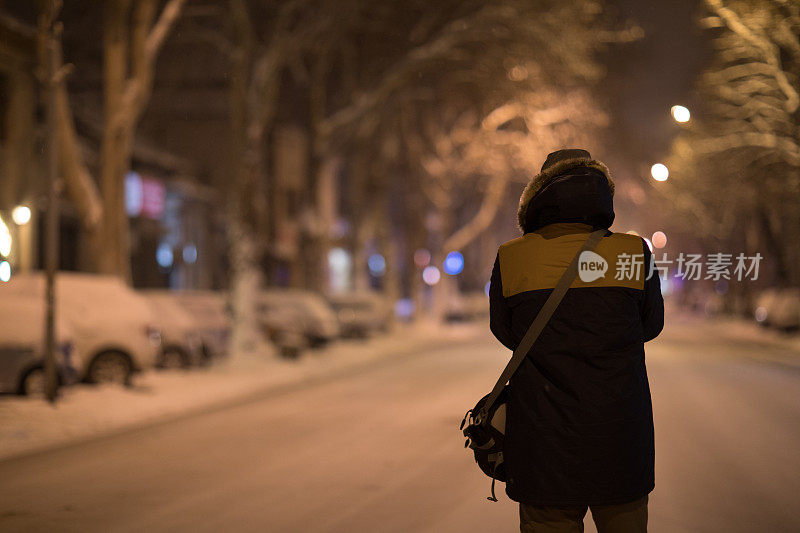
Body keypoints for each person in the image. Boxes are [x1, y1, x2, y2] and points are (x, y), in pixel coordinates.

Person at [489, 149, 664, 532]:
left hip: (542, 440)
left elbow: (507, 335)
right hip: (621, 435)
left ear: (537, 197)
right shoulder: (632, 252)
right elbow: (650, 325)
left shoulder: (512, 257)